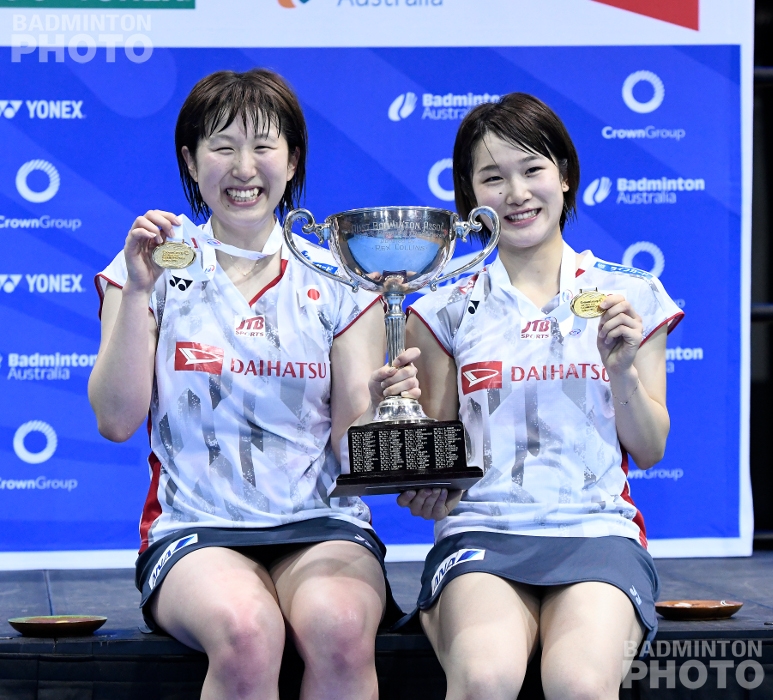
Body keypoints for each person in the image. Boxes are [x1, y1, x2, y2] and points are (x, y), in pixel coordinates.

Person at [88, 68, 419, 700]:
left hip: (321, 524)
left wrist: (382, 409)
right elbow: (115, 419)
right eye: (222, 146)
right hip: (195, 528)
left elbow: (353, 446)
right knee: (246, 630)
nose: (244, 168)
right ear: (191, 161)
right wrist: (137, 293)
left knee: (341, 627)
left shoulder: (341, 275)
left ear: (292, 161)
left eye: (264, 146)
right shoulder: (145, 267)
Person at [398, 93, 683, 700]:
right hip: (481, 536)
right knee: (485, 677)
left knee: (579, 683)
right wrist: (413, 465)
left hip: (596, 534)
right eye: (493, 177)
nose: (517, 193)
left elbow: (651, 448)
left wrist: (622, 373)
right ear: (470, 195)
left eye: (533, 169)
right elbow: (438, 464)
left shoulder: (629, 295)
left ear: (565, 176)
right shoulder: (441, 306)